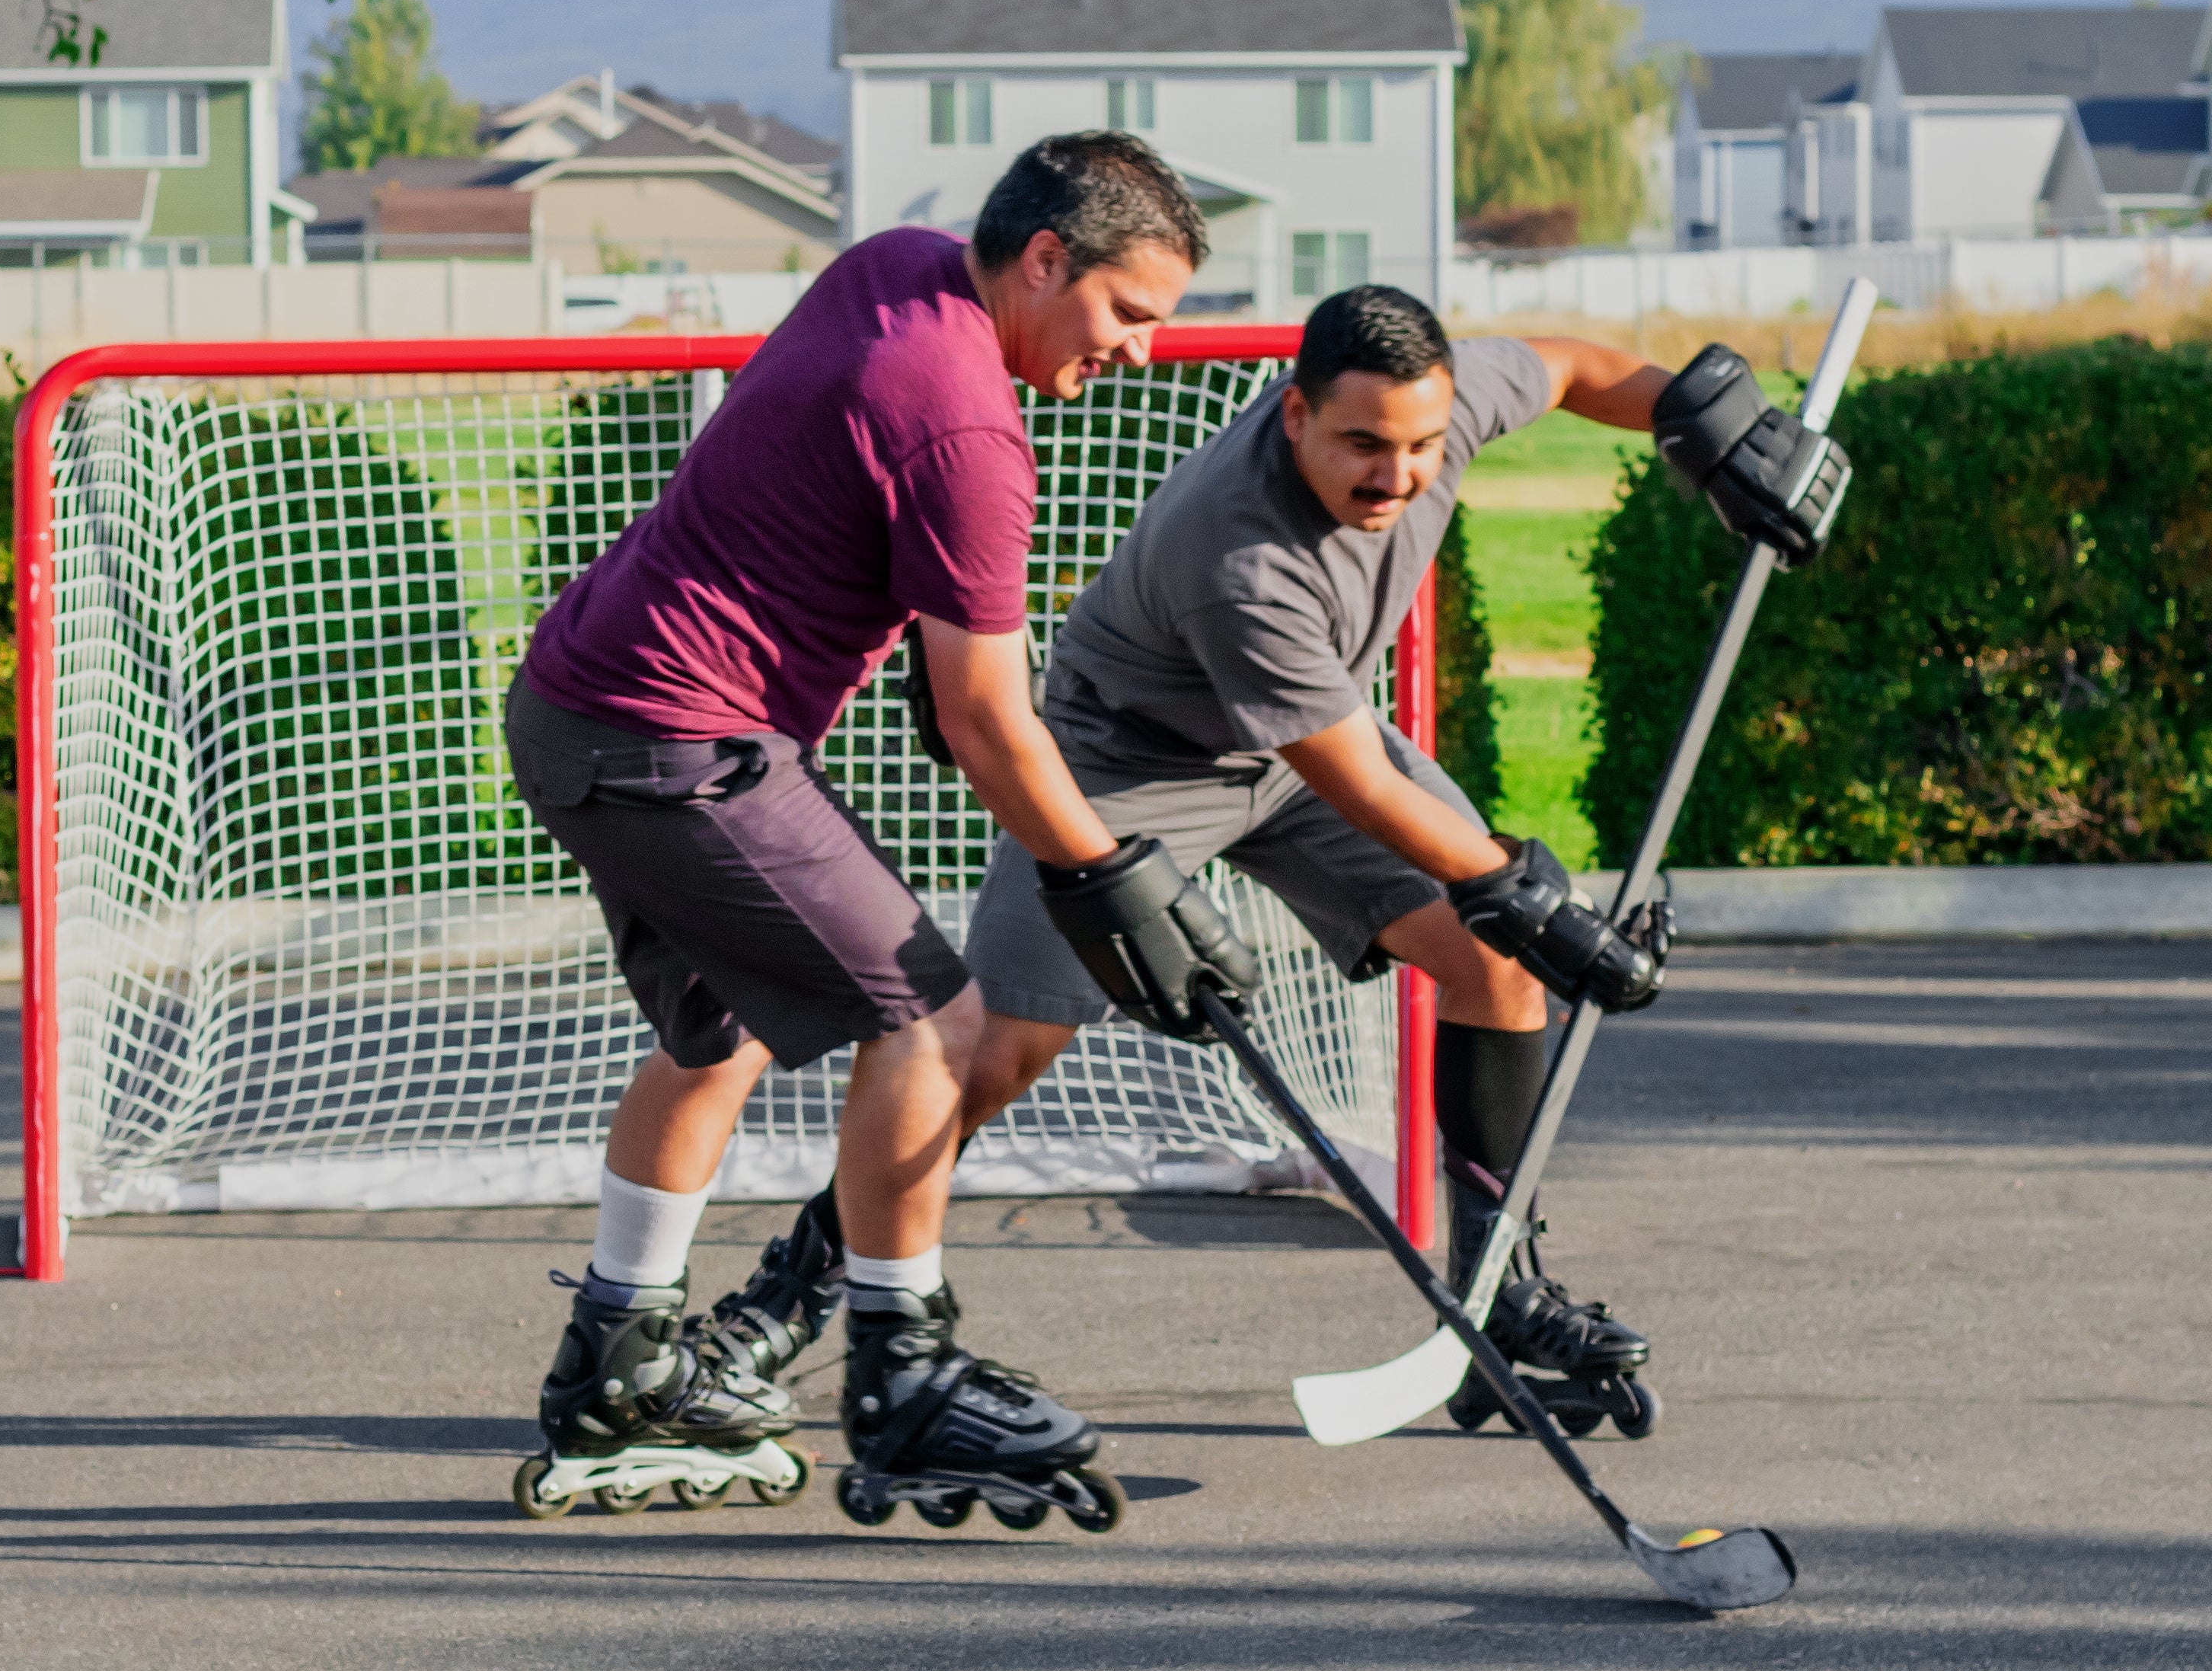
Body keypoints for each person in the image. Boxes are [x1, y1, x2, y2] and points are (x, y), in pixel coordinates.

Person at [741, 284, 1847, 1435]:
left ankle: (1499, 1297)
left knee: (1495, 967)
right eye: (1363, 446)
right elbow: (1353, 780)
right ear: (1293, 417)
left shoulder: (1439, 403)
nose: (1399, 477)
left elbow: (1567, 365)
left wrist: (1702, 429)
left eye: (1421, 445)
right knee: (994, 1055)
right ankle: (796, 1288)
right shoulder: (1240, 551)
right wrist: (1533, 900)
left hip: (1308, 740)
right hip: (1127, 765)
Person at [502, 132, 1243, 1527]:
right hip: (674, 736)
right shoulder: (972, 428)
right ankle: (905, 1378)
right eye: (1128, 312)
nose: (1141, 350)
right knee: (937, 1021)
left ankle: (618, 1365)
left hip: (580, 701)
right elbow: (987, 717)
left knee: (714, 1033)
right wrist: (1115, 881)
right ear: (1043, 261)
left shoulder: (896, 269)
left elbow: (829, 485)